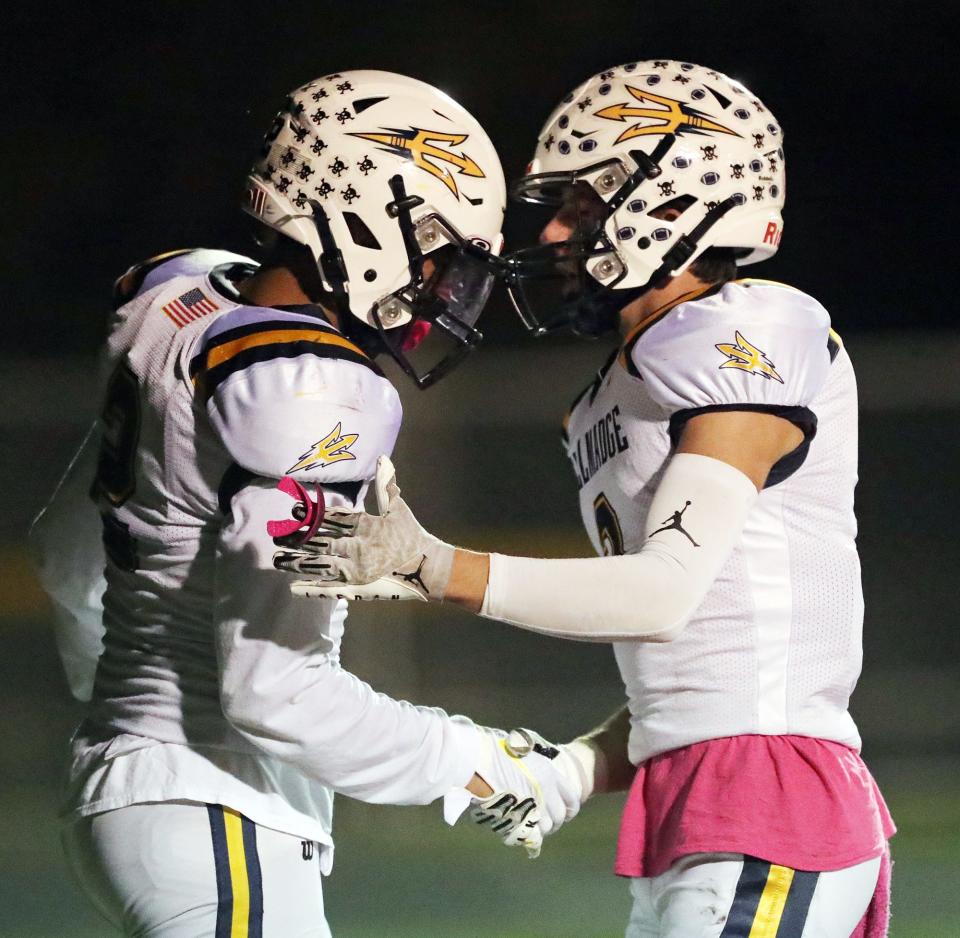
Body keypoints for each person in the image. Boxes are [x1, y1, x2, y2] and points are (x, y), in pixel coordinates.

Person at [275, 61, 896, 938]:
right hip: (704, 796)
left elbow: (663, 594)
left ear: (672, 203)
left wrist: (433, 568)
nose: (559, 229)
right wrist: (572, 770)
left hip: (772, 801)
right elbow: (704, 675)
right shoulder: (618, 389)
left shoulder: (743, 324)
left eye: (581, 202)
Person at [30, 70, 586, 937]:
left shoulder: (178, 303)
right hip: (214, 807)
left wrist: (127, 717)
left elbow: (66, 558)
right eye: (438, 250)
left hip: (130, 800)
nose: (442, 286)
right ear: (367, 213)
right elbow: (276, 695)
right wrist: (480, 765)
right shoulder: (315, 383)